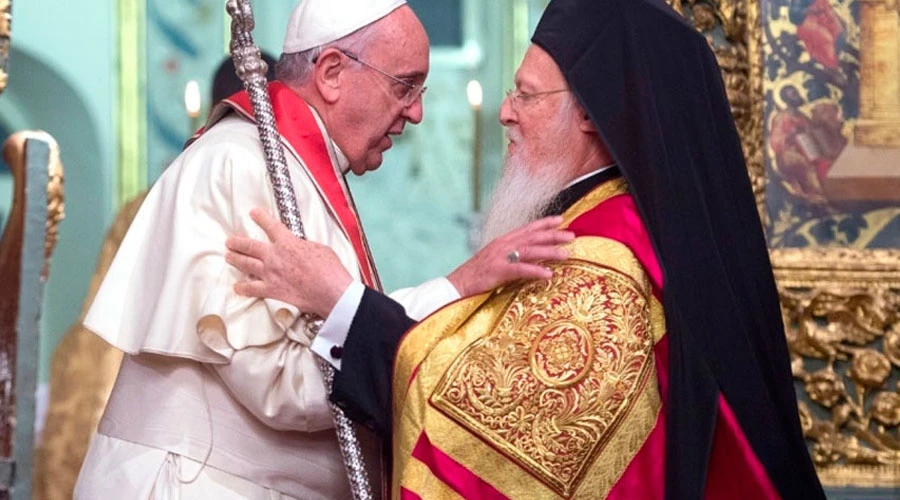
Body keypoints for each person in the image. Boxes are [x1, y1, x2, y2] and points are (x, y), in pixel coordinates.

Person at [226, 0, 827, 498]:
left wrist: (340, 301)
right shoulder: (588, 225)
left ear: (593, 115)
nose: (506, 114)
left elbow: (469, 425)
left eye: (527, 95)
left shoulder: (606, 257)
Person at [74, 1, 568, 499]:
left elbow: (330, 335)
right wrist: (453, 295)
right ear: (331, 72)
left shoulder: (292, 166)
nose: (416, 112)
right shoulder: (243, 165)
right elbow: (288, 386)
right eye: (404, 86)